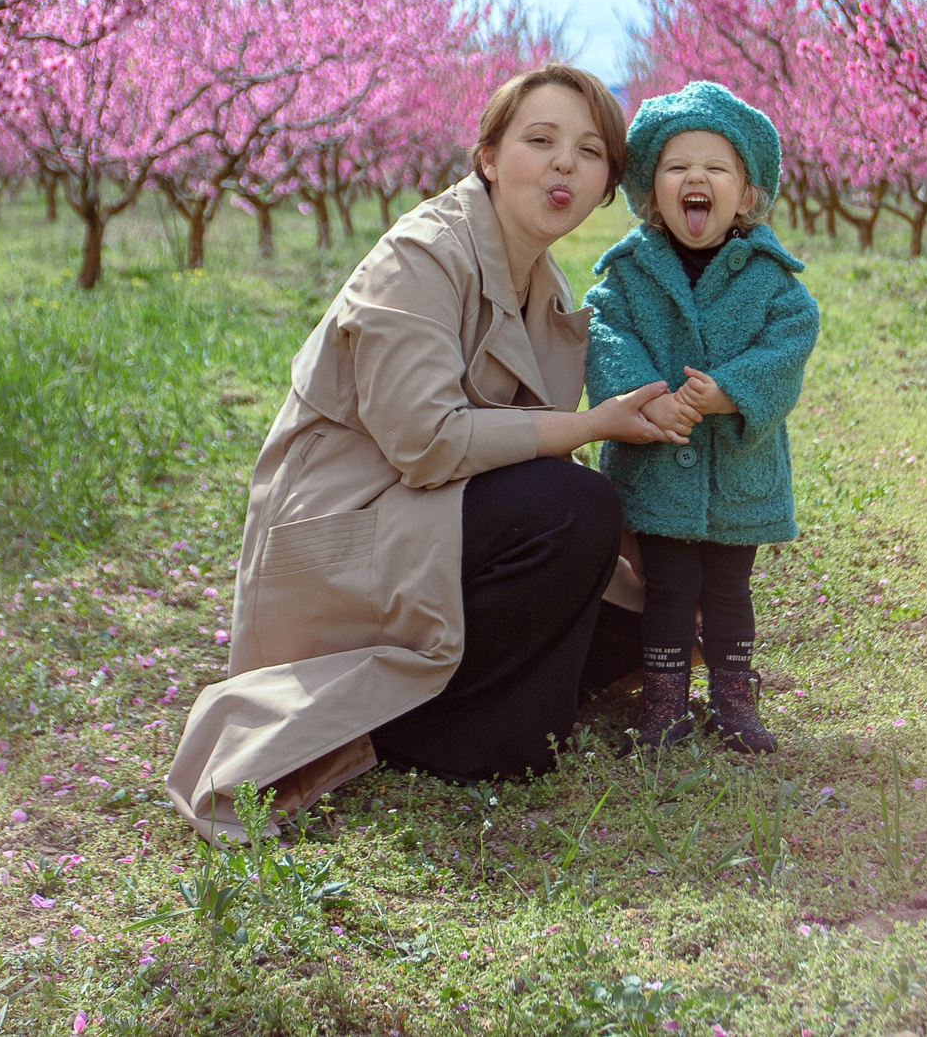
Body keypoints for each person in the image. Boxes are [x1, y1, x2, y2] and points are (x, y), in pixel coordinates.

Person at [165, 65, 689, 838]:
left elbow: (518, 452)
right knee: (575, 509)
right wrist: (593, 425)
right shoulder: (420, 255)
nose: (563, 165)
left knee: (625, 608)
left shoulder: (541, 281)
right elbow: (427, 442)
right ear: (486, 155)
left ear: (608, 181)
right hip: (349, 528)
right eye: (539, 140)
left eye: (588, 152)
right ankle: (394, 730)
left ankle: (470, 717)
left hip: (432, 517)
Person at [584, 80, 820, 753]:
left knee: (727, 590)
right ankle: (663, 702)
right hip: (657, 463)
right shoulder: (629, 271)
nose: (696, 178)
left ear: (745, 195)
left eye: (716, 168)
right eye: (677, 166)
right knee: (664, 588)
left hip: (737, 468)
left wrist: (732, 390)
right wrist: (642, 395)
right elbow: (604, 329)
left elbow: (790, 336)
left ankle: (732, 696)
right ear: (650, 191)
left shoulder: (770, 277)